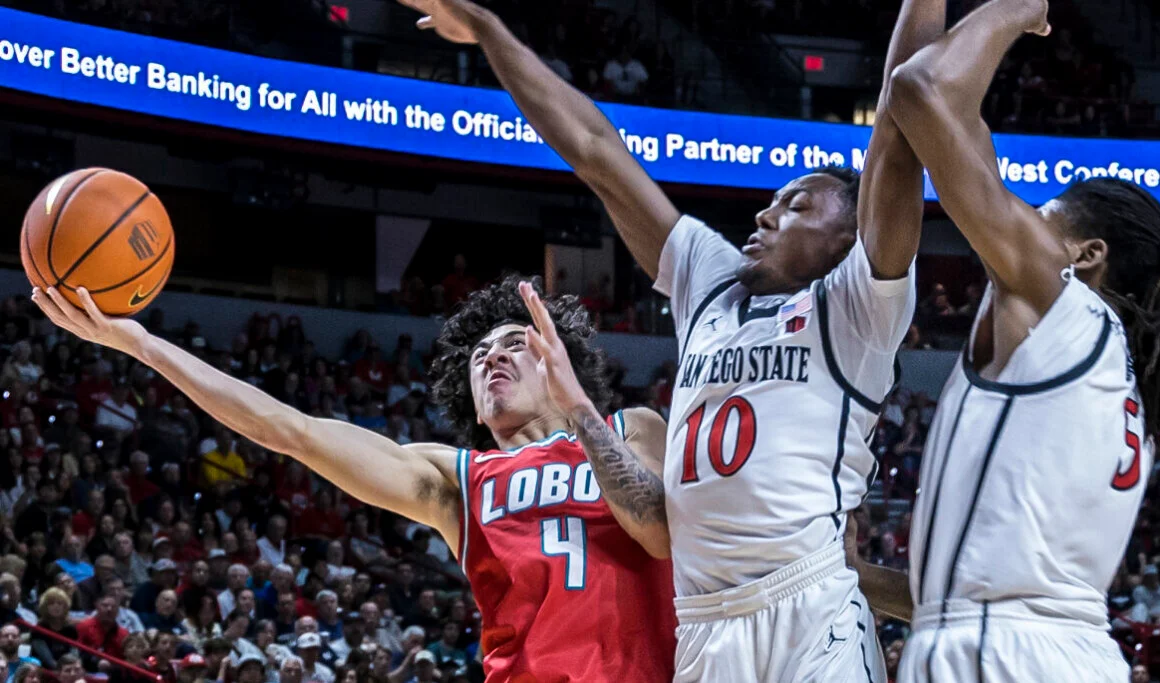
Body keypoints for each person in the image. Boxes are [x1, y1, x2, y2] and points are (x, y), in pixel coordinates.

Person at [398, 0, 932, 679]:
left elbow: (899, 131)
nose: (766, 212)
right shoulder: (712, 278)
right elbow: (597, 153)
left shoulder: (856, 306)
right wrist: (489, 31)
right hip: (705, 621)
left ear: (849, 241)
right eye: (773, 199)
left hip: (810, 602)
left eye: (798, 205)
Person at [32, 277, 677, 682]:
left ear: (555, 357)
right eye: (479, 357)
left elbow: (655, 533)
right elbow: (290, 429)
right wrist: (143, 345)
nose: (492, 358)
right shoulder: (457, 479)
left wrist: (583, 412)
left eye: (513, 343)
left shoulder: (630, 427)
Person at [884, 0, 1160, 680]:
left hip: (1005, 658)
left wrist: (1017, 9)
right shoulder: (1118, 391)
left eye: (1041, 218)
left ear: (1085, 256)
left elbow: (921, 90)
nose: (1016, 225)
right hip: (1055, 652)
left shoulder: (1063, 307)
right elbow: (971, 592)